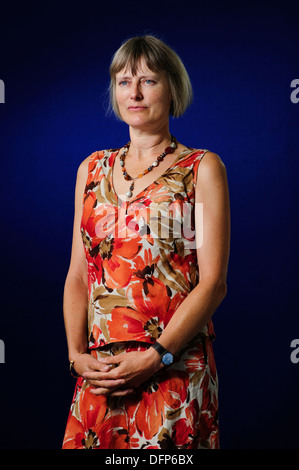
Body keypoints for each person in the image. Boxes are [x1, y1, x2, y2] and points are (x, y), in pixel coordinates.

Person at [62, 34, 230, 449]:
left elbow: (213, 283)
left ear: (173, 88)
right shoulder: (91, 168)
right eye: (123, 81)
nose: (134, 92)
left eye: (149, 81)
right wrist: (76, 357)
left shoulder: (202, 168)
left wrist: (157, 356)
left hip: (173, 369)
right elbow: (79, 275)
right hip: (102, 374)